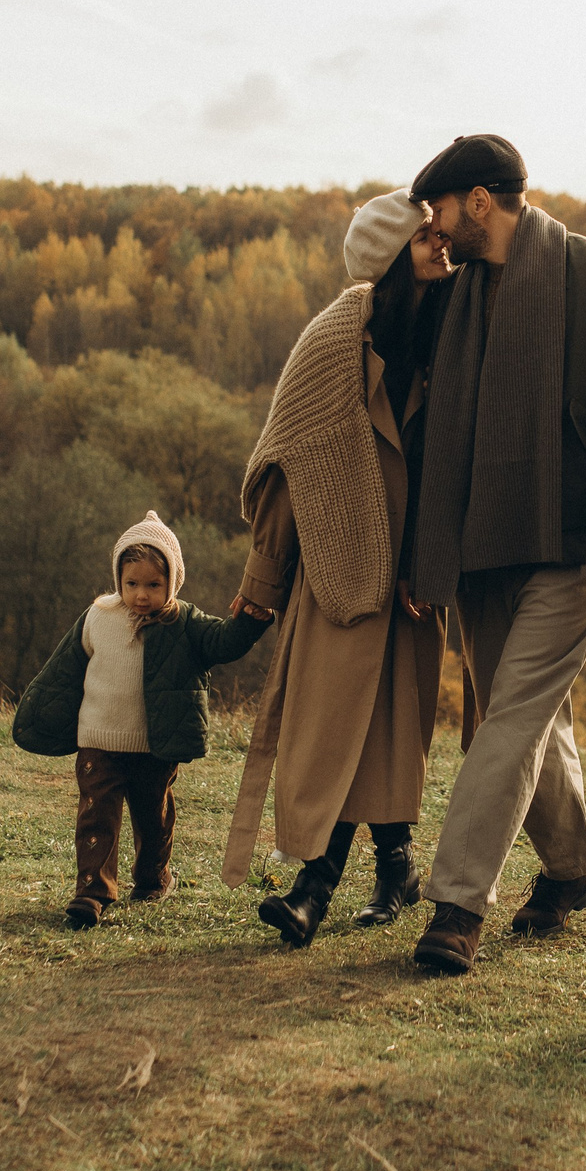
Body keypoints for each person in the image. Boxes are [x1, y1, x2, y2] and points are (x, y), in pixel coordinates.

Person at [404, 134, 586, 976]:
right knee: (533, 714)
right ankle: (571, 872)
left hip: (577, 547)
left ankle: (455, 905)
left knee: (506, 715)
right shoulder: (452, 293)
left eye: (438, 211)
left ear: (479, 201)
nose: (434, 229)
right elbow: (417, 401)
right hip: (481, 542)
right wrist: (415, 281)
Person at [221, 189, 454, 945]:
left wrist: (438, 565)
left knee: (387, 730)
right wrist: (263, 585)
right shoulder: (332, 342)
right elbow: (292, 470)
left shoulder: (449, 329)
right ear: (391, 257)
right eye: (425, 239)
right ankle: (323, 883)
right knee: (331, 732)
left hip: (414, 576)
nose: (441, 246)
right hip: (338, 564)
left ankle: (379, 870)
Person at [11, 510, 270, 929]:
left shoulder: (184, 621)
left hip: (155, 745)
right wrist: (42, 716)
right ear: (118, 579)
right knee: (97, 815)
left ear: (173, 582)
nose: (142, 594)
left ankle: (152, 880)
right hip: (98, 740)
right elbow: (64, 671)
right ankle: (92, 893)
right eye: (132, 584)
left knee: (154, 816)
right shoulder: (97, 615)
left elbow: (224, 643)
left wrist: (251, 620)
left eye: (154, 584)